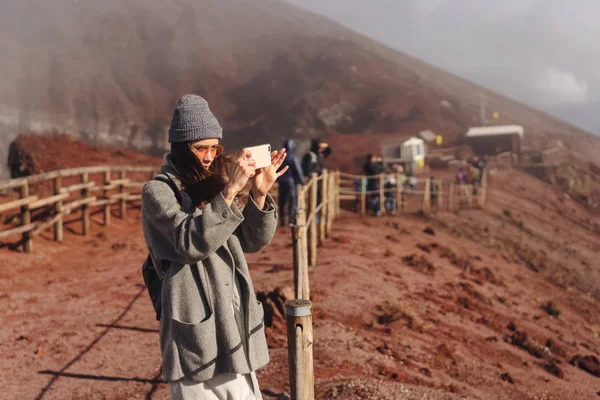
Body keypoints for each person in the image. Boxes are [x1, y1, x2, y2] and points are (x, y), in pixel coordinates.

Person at [141, 95, 288, 400]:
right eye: (200, 148)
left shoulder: (214, 185)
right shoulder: (158, 191)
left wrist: (259, 196)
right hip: (194, 323)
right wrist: (232, 191)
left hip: (231, 315)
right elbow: (187, 242)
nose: (209, 156)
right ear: (181, 148)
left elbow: (250, 241)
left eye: (214, 147)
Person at [278, 138, 306, 227]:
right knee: (292, 201)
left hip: (281, 181)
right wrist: (303, 182)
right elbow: (298, 171)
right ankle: (290, 220)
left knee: (282, 201)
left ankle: (282, 221)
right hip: (290, 182)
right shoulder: (293, 157)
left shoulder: (281, 157)